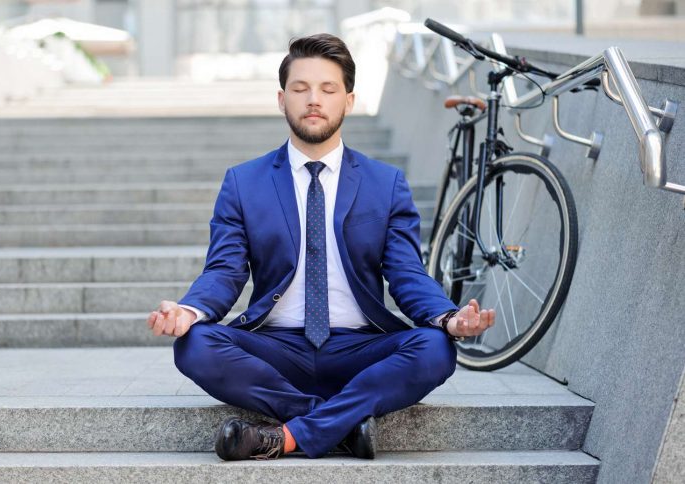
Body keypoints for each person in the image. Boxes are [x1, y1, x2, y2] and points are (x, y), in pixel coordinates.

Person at [146, 33, 495, 461]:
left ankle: (285, 437)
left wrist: (448, 317)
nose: (314, 99)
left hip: (359, 347)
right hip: (277, 349)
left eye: (328, 89)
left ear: (348, 100)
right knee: (194, 344)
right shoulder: (244, 182)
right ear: (281, 99)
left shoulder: (385, 184)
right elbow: (225, 271)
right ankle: (341, 425)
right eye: (300, 88)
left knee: (436, 347)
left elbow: (406, 273)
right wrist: (188, 311)